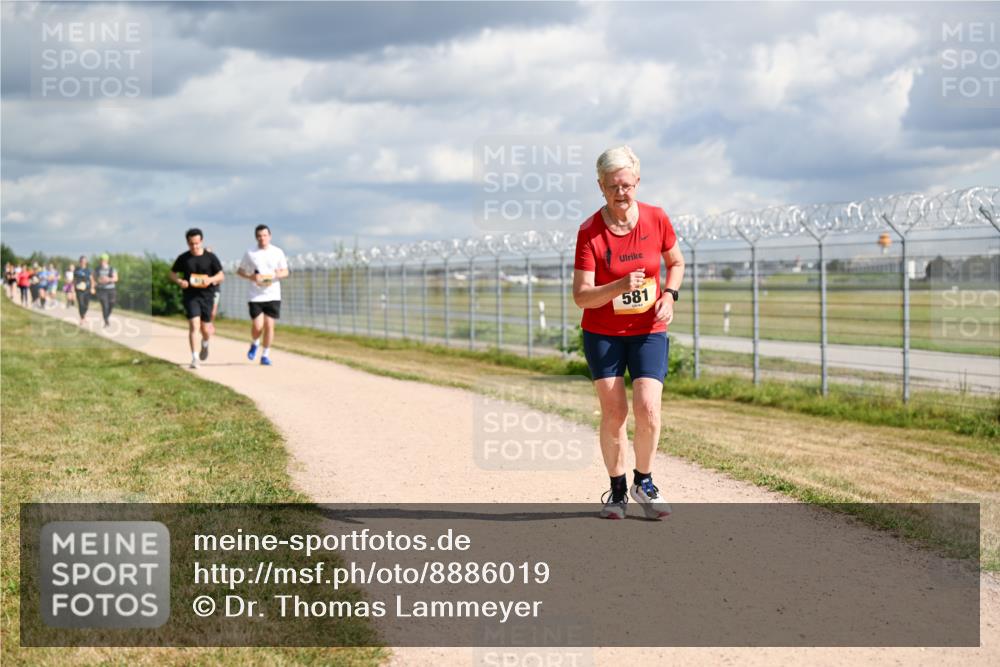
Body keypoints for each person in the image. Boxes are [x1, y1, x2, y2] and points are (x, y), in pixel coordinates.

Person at [572, 145, 686, 520]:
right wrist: (619, 286)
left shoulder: (656, 218)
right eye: (612, 186)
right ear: (600, 187)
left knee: (648, 409)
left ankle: (645, 482)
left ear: (637, 181)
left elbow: (676, 261)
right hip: (603, 332)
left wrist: (669, 293)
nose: (621, 193)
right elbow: (582, 297)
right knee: (615, 412)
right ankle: (618, 490)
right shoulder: (590, 232)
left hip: (649, 328)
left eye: (627, 184)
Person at [170, 229, 224, 369]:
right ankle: (194, 358)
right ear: (187, 242)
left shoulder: (210, 257)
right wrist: (180, 281)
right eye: (191, 244)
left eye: (196, 243)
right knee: (194, 325)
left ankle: (205, 343)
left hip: (207, 296)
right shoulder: (183, 258)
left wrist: (210, 279)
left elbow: (221, 276)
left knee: (205, 329)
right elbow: (172, 274)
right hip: (191, 296)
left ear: (201, 241)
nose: (194, 246)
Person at [237, 224, 289, 366]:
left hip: (273, 294)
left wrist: (277, 274)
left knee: (269, 326)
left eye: (265, 235)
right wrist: (251, 277)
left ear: (270, 236)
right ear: (256, 237)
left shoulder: (278, 252)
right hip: (255, 295)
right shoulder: (250, 253)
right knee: (258, 326)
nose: (262, 238)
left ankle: (265, 354)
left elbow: (286, 272)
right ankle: (255, 343)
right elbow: (240, 271)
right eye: (259, 236)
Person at [94, 253, 118, 327]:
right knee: (105, 305)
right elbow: (93, 278)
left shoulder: (112, 269)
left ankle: (106, 316)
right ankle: (106, 321)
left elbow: (116, 278)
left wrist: (108, 279)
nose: (102, 261)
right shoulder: (97, 269)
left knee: (112, 303)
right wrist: (98, 281)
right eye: (101, 260)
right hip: (101, 290)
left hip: (111, 289)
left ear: (107, 260)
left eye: (104, 260)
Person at [73, 256, 94, 325]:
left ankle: (84, 315)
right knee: (81, 304)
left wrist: (92, 288)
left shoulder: (88, 270)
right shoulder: (76, 270)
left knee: (86, 305)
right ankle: (82, 318)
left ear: (86, 262)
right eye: (82, 261)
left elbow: (92, 280)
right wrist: (73, 288)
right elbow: (74, 280)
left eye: (84, 261)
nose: (83, 263)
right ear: (80, 262)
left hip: (87, 289)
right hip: (79, 290)